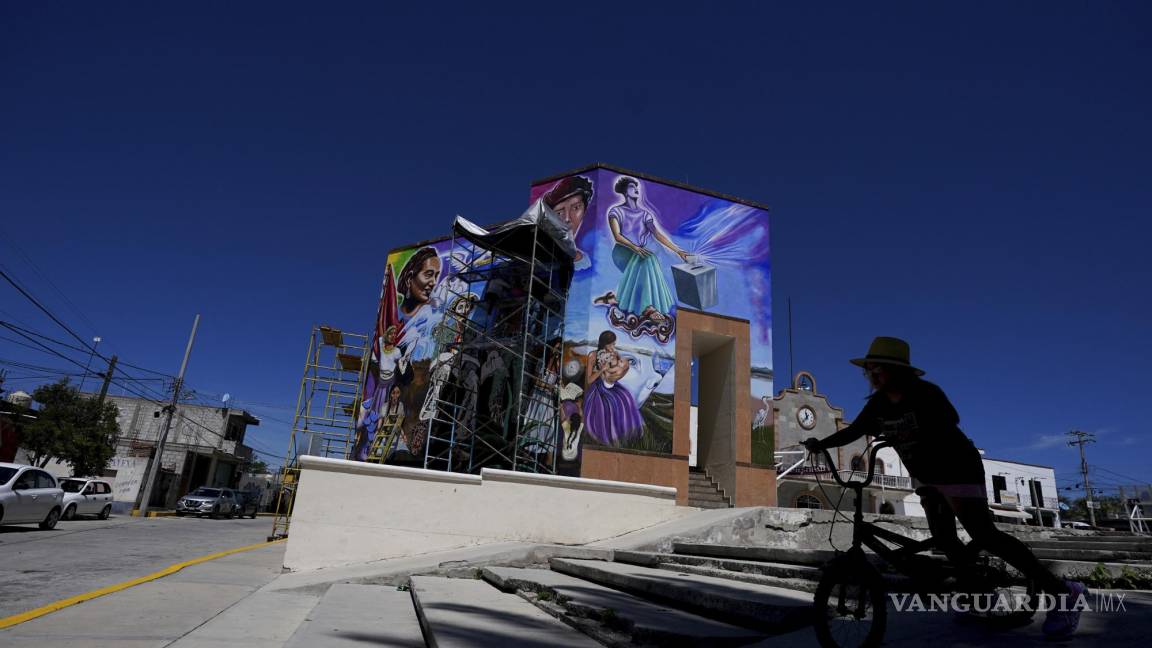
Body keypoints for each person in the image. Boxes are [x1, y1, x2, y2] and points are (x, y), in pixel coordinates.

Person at [802, 337, 1087, 638]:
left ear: (897, 370)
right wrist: (821, 444)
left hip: (957, 468)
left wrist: (915, 429)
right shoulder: (878, 405)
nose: (873, 375)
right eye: (869, 370)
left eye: (879, 368)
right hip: (927, 478)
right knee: (944, 538)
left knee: (983, 534)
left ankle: (1064, 591)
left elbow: (950, 419)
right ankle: (976, 590)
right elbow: (856, 431)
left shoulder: (925, 393)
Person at [607, 177, 689, 320]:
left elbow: (657, 234)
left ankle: (645, 304)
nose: (636, 189)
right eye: (632, 187)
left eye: (637, 187)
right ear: (626, 192)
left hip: (641, 253)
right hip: (623, 252)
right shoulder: (616, 211)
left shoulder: (644, 215)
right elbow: (617, 236)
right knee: (647, 258)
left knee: (649, 259)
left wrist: (678, 251)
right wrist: (635, 247)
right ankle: (647, 308)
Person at [582, 330, 643, 445]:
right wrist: (601, 370)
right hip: (598, 387)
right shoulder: (593, 355)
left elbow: (619, 371)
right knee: (608, 405)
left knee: (626, 397)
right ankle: (606, 437)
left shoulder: (614, 354)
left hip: (611, 384)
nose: (612, 347)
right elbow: (589, 380)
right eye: (610, 344)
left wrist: (617, 363)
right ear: (604, 343)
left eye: (614, 344)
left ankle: (627, 435)